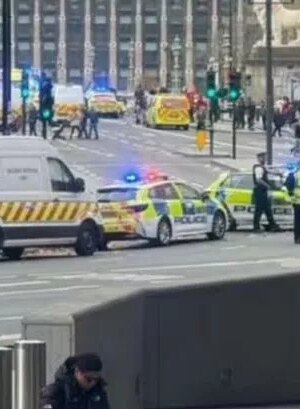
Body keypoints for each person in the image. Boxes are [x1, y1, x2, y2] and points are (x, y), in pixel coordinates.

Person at [40, 353, 110, 409]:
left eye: (96, 379)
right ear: (77, 372)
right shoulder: (58, 391)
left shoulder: (98, 392)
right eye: (89, 379)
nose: (93, 383)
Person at [252, 152, 279, 232]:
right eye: (263, 157)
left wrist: (278, 173)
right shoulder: (258, 168)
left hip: (263, 191)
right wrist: (267, 186)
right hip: (260, 191)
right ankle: (256, 227)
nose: (265, 159)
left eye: (265, 157)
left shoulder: (262, 167)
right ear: (259, 158)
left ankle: (272, 225)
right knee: (259, 209)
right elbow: (258, 180)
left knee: (267, 208)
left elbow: (268, 171)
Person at [285, 166, 300, 243]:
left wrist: (292, 196)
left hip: (297, 201)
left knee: (297, 220)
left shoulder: (294, 174)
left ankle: (297, 238)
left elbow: (288, 185)